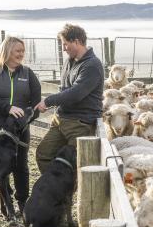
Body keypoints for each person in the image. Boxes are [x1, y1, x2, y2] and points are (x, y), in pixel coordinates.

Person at [0, 36, 41, 215]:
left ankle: (22, 202)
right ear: (7, 52)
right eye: (17, 51)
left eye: (23, 51)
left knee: (21, 164)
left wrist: (26, 119)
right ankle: (5, 203)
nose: (21, 54)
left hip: (19, 130)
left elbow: (36, 102)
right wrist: (7, 108)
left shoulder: (28, 74)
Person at [35, 24, 104, 172]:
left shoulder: (92, 65)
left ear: (77, 42)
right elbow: (64, 88)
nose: (64, 49)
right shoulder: (69, 62)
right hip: (61, 119)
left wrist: (48, 101)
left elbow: (76, 93)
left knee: (77, 165)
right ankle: (55, 191)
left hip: (80, 123)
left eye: (66, 44)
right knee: (43, 154)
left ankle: (68, 193)